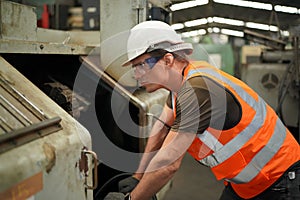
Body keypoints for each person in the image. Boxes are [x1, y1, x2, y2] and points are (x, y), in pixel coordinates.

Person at [104, 20, 300, 200]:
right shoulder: (179, 85)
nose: (137, 75)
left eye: (141, 65)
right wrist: (138, 177)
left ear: (167, 60)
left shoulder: (198, 91)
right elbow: (161, 127)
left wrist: (131, 198)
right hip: (246, 185)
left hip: (281, 180)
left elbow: (168, 165)